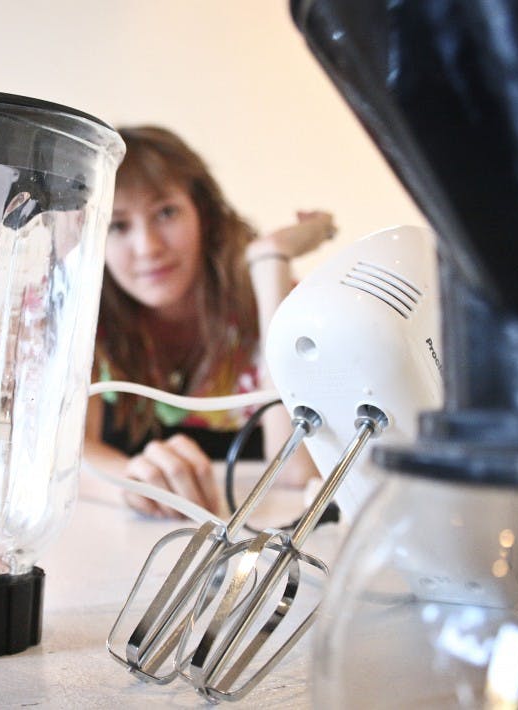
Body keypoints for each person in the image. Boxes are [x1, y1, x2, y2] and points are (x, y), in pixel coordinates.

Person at [81, 126, 335, 518]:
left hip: (254, 531)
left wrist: (271, 260)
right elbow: (60, 460)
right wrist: (134, 482)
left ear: (205, 213)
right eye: (118, 225)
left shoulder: (273, 304)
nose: (148, 247)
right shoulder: (84, 310)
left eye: (165, 212)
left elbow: (297, 471)